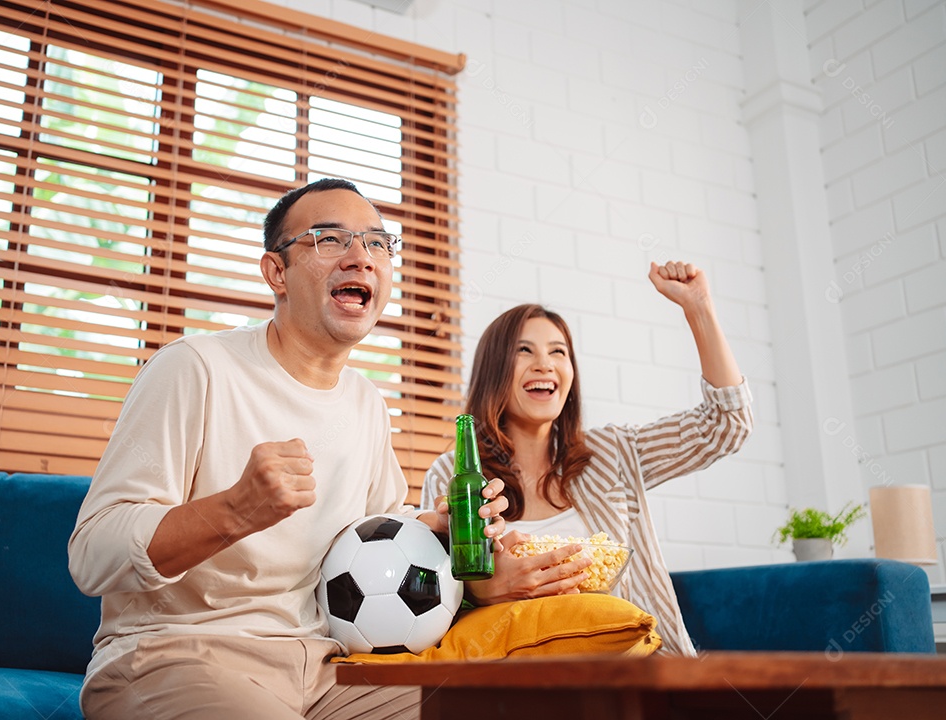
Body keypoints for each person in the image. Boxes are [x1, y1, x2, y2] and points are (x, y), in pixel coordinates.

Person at [68, 178, 507, 720]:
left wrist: (431, 528)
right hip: (175, 656)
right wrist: (233, 511)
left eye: (376, 243)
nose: (361, 259)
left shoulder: (367, 403)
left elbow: (376, 531)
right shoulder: (195, 368)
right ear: (277, 273)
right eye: (329, 240)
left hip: (323, 669)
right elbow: (91, 556)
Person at [422, 261, 753, 656]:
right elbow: (431, 598)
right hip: (513, 675)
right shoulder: (453, 474)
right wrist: (481, 589)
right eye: (523, 350)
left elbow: (726, 424)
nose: (545, 363)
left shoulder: (613, 453)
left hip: (633, 667)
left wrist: (699, 309)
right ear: (493, 370)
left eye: (558, 352)